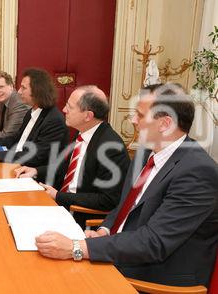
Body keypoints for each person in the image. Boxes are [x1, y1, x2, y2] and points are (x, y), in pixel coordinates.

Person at [34, 84, 218, 287]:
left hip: (151, 279)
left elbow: (154, 243)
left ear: (165, 123)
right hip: (119, 255)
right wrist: (104, 231)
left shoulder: (198, 172)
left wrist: (78, 247)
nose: (132, 120)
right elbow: (124, 207)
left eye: (140, 115)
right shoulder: (144, 154)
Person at [15, 86, 130, 228]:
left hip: (80, 217)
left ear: (88, 116)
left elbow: (108, 200)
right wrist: (36, 171)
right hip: (62, 206)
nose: (64, 110)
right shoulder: (83, 133)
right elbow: (66, 169)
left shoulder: (111, 148)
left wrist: (58, 196)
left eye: (70, 107)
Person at [0, 68, 69, 167]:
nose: (19, 92)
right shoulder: (31, 112)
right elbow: (15, 138)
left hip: (31, 173)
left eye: (23, 88)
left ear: (38, 90)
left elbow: (37, 156)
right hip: (15, 162)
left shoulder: (54, 120)